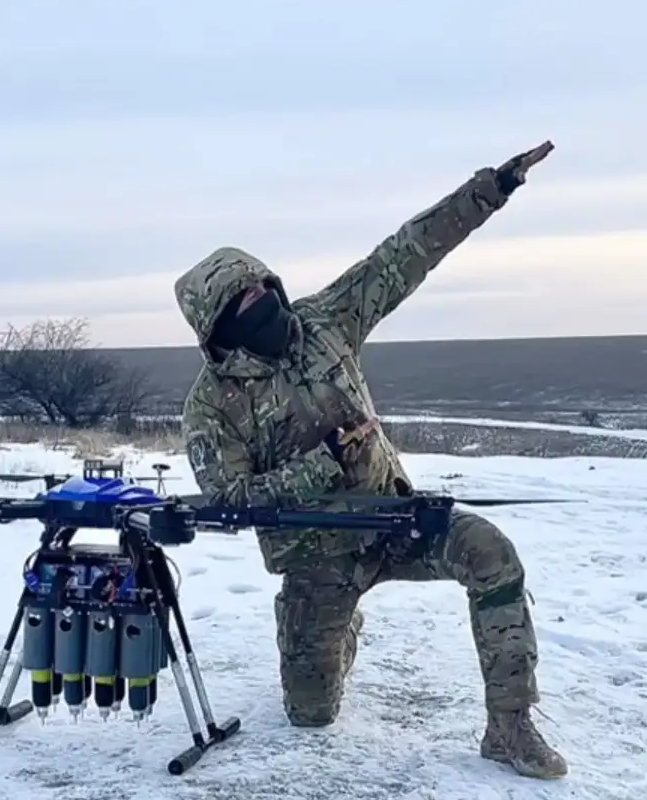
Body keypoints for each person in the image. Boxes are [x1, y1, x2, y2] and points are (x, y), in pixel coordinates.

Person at [175, 142, 568, 780]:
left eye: (262, 294)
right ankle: (329, 629)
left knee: (493, 554)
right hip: (315, 557)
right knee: (311, 715)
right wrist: (323, 463)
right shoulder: (209, 408)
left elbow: (405, 255)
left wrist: (488, 190)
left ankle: (511, 728)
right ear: (217, 332)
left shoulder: (327, 320)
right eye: (242, 310)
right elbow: (229, 502)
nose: (263, 311)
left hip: (396, 519)